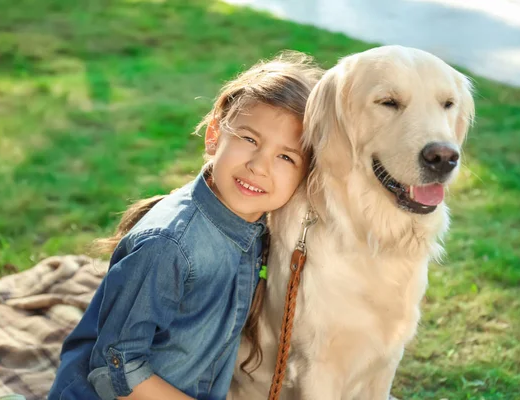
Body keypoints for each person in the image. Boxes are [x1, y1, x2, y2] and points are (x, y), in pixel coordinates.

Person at [48, 51, 322, 400]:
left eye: (286, 157)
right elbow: (114, 369)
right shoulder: (169, 245)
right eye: (249, 139)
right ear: (214, 135)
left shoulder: (254, 229)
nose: (259, 165)